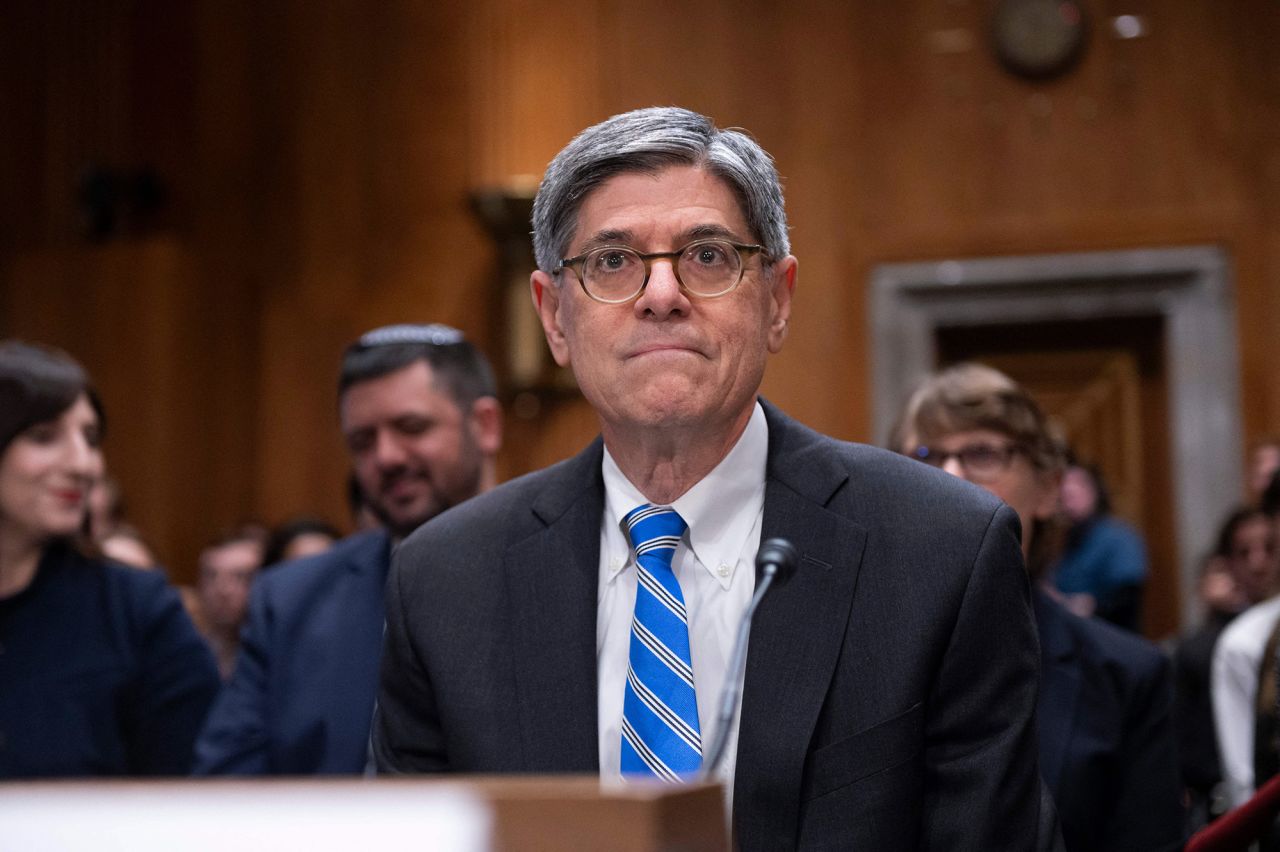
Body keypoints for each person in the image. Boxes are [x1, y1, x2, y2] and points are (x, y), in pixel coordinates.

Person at [373, 108, 1046, 849]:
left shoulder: (941, 551)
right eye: (612, 262)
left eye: (707, 255)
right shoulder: (444, 582)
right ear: (554, 319)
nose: (662, 294)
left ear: (777, 301)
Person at [892, 362, 1184, 852]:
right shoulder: (849, 652)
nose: (948, 477)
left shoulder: (1129, 676)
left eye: (981, 454)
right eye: (924, 455)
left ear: (1048, 489)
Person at [194, 323, 502, 774]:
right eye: (362, 442)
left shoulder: (569, 570)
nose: (386, 458)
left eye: (411, 427)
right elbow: (225, 786)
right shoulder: (290, 600)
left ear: (485, 426)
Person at [0, 340, 220, 777]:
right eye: (44, 437)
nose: (84, 465)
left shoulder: (138, 612)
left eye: (91, 438)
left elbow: (194, 796)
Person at [1212, 504, 1280, 809]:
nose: (1259, 563)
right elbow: (1242, 774)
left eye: (1270, 547)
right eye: (1245, 552)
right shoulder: (1238, 642)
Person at [1052, 462, 1148, 630]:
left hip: (1112, 635)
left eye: (1076, 490)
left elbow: (1128, 596)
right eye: (1064, 495)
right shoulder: (1056, 540)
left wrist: (1092, 606)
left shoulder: (1118, 537)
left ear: (1094, 492)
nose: (1069, 500)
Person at [192, 527, 264, 679]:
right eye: (211, 576)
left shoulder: (283, 658)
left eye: (241, 577)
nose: (223, 590)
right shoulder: (183, 655)